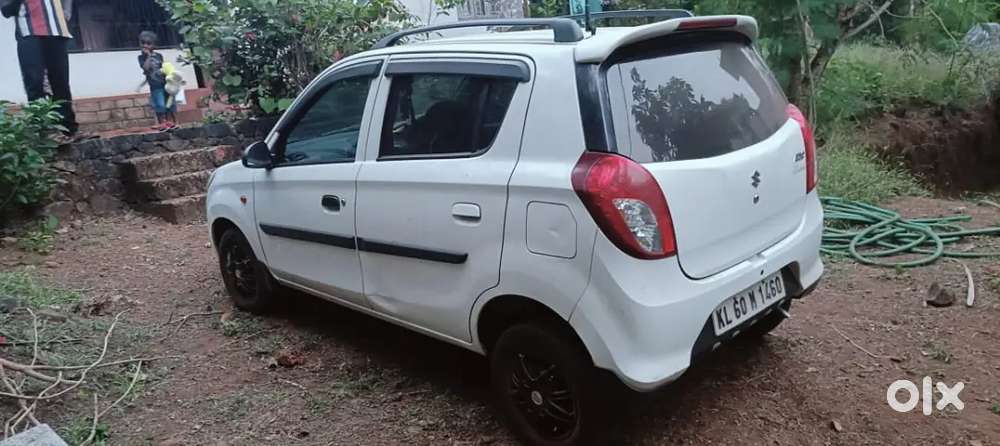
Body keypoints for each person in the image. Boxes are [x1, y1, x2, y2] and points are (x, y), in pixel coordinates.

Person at [2, 0, 85, 140]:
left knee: (61, 82)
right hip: (29, 32)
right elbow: (6, 10)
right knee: (35, 81)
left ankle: (69, 129)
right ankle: (45, 131)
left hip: (57, 30)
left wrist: (66, 12)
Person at [137, 30, 177, 131]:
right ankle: (161, 123)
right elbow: (146, 68)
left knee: (169, 103)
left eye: (148, 43)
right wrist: (149, 56)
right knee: (159, 104)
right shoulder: (141, 57)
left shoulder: (159, 56)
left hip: (165, 83)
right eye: (143, 43)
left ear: (154, 45)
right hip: (155, 84)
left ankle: (170, 122)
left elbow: (164, 67)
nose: (145, 45)